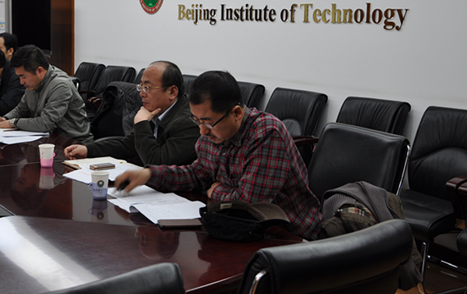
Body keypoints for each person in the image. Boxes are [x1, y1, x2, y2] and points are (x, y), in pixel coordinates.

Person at [115, 70, 323, 240]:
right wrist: (149, 175)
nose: (202, 131)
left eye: (207, 122)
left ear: (236, 113)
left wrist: (216, 192)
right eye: (197, 120)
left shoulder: (267, 134)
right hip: (239, 229)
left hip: (289, 236)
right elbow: (197, 174)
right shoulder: (213, 132)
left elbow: (250, 204)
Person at [64, 61, 199, 167]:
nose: (141, 94)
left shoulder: (189, 122)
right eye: (141, 87)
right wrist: (88, 150)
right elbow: (127, 145)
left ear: (172, 92)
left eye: (148, 88)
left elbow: (158, 163)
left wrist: (142, 124)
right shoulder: (156, 109)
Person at [0, 45, 93, 142]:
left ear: (40, 71)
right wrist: (4, 119)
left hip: (73, 143)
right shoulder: (33, 82)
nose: (21, 82)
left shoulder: (60, 86)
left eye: (23, 77)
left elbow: (46, 123)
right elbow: (21, 109)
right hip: (47, 140)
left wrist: (13, 122)